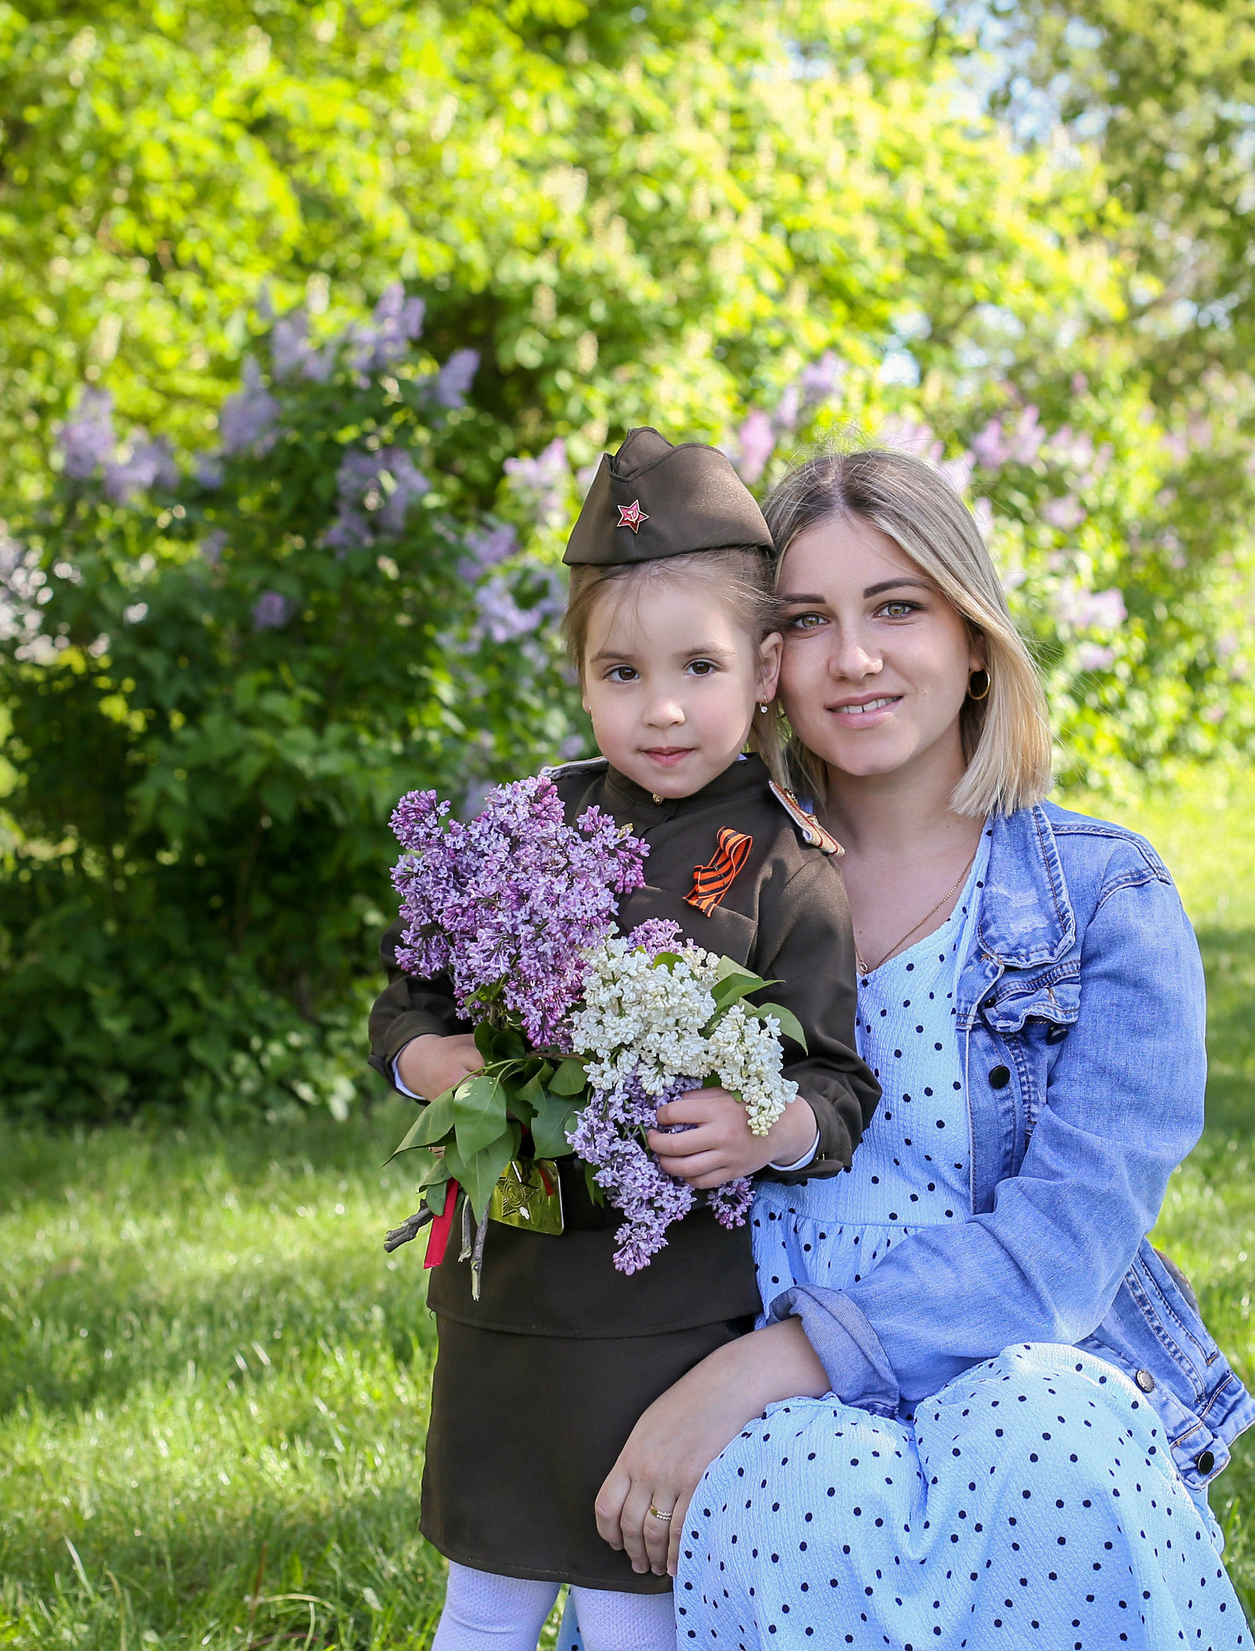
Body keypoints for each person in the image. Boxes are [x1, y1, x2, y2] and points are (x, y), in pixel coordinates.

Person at [590, 446, 1255, 1648]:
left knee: (1045, 1441)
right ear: (763, 663)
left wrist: (777, 1362)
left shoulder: (1101, 900)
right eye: (808, 620)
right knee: (803, 1486)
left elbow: (1067, 1246)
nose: (853, 658)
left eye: (896, 607)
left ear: (973, 640)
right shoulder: (679, 895)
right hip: (755, 1396)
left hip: (1013, 1360)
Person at [369, 427, 882, 1651]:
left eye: (700, 667)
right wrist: (432, 1063)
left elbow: (837, 1084)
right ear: (581, 677)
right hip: (501, 1285)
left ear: (765, 669)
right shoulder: (526, 825)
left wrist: (767, 1126)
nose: (661, 709)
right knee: (484, 1590)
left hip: (660, 1310)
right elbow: (409, 998)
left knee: (629, 1600)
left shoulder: (784, 863)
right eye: (620, 672)